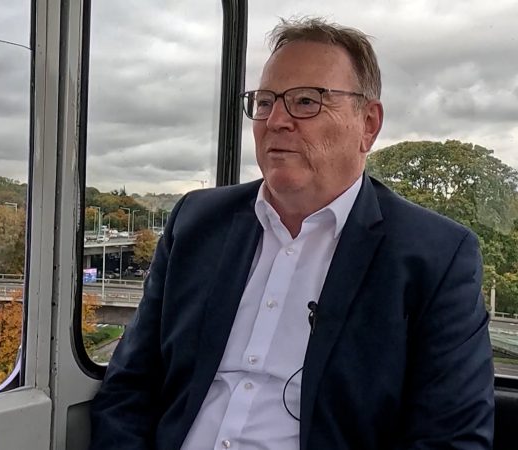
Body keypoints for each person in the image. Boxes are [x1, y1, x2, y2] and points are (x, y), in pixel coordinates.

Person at [89, 17, 494, 450]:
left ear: (368, 124)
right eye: (264, 102)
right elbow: (129, 387)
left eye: (306, 101)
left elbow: (452, 440)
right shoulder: (196, 223)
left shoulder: (435, 256)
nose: (276, 120)